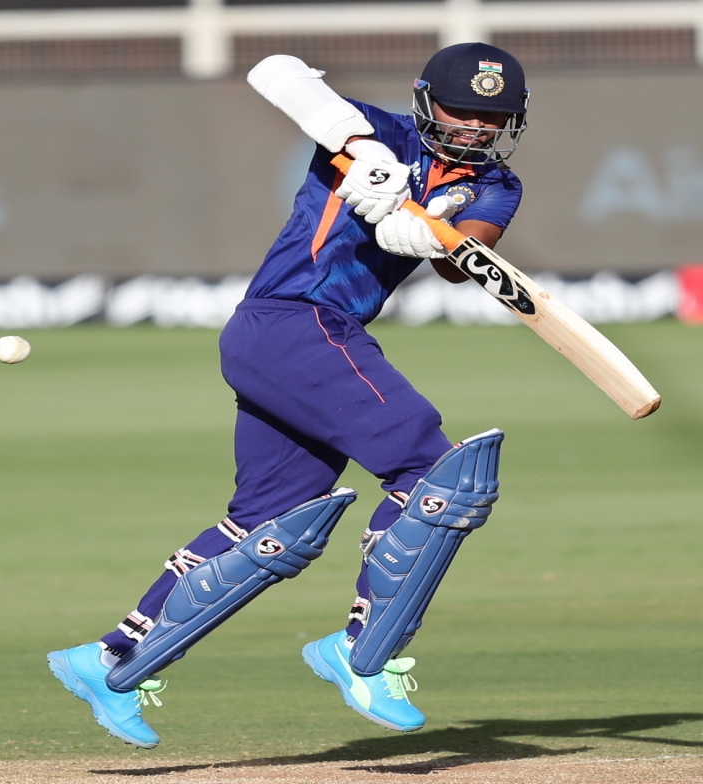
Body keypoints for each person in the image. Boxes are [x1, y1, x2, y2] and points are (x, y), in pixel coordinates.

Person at [47, 42, 529, 749]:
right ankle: (365, 654)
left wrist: (424, 231)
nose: (474, 129)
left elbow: (466, 258)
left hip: (291, 341)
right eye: (462, 111)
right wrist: (362, 155)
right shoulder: (378, 129)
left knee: (275, 523)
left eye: (492, 118)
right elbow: (275, 71)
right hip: (292, 321)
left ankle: (110, 660)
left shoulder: (498, 188)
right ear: (428, 101)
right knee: (436, 472)